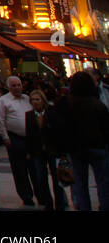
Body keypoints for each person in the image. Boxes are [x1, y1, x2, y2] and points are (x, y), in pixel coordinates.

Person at [54, 70, 109, 211]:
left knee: (80, 183)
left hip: (76, 149)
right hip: (97, 147)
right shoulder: (97, 105)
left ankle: (84, 207)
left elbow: (59, 127)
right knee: (103, 182)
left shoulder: (65, 104)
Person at [0, 75, 37, 207]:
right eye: (14, 85)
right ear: (8, 87)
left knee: (34, 167)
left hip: (30, 138)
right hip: (15, 137)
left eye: (19, 85)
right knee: (19, 169)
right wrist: (5, 137)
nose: (17, 87)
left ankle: (40, 193)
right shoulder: (3, 100)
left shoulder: (27, 98)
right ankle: (26, 195)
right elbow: (0, 119)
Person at [25, 88, 66, 211]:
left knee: (56, 178)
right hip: (37, 151)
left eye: (37, 99)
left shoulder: (52, 113)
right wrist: (28, 151)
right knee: (41, 178)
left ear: (43, 100)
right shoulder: (29, 115)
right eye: (32, 100)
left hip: (52, 150)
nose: (35, 102)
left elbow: (59, 132)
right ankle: (48, 202)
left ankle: (60, 203)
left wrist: (62, 151)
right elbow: (29, 134)